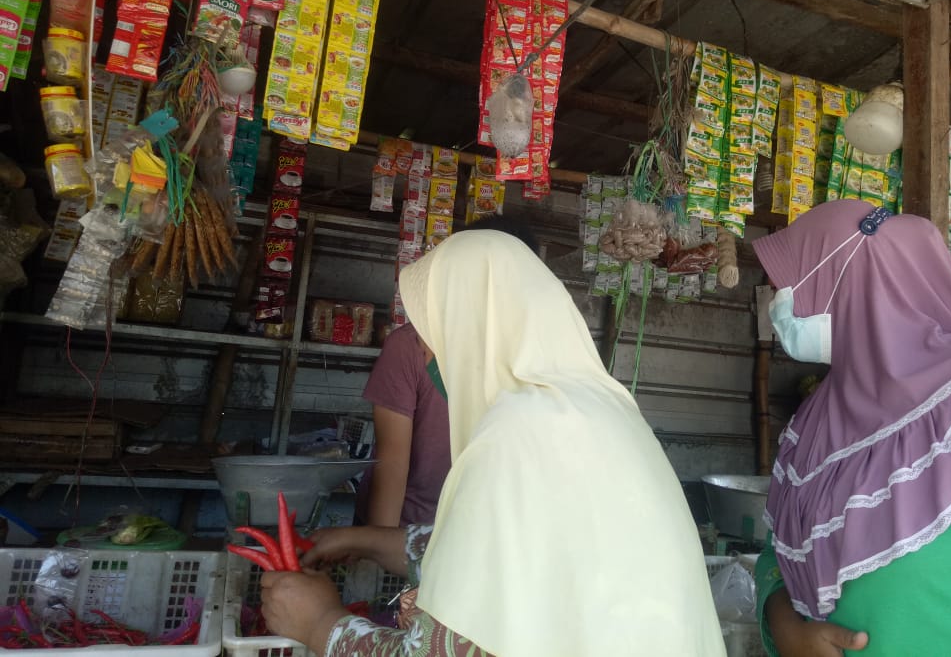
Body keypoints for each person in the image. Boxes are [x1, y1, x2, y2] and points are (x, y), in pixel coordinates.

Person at [262, 229, 726, 656]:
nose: (425, 356)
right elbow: (504, 549)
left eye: (431, 335)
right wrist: (362, 540)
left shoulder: (516, 435)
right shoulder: (608, 410)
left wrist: (321, 622)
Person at [750, 199, 951, 656]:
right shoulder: (810, 425)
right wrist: (784, 625)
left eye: (789, 285)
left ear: (853, 283)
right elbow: (776, 553)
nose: (778, 304)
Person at [353, 215, 540, 528]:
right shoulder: (412, 346)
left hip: (471, 533)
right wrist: (377, 549)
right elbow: (392, 469)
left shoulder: (535, 356)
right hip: (411, 531)